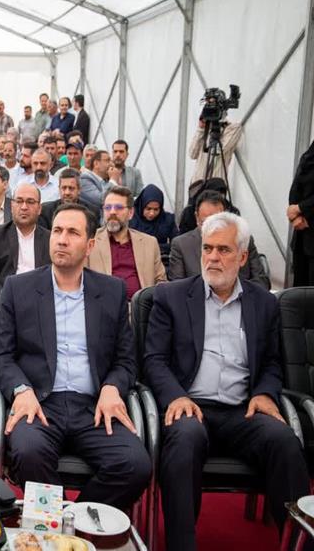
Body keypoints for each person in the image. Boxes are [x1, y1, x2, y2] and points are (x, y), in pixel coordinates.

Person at [143, 211, 309, 551]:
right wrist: (176, 396)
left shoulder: (264, 303)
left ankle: (299, 543)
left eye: (223, 250)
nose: (213, 258)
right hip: (190, 406)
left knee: (285, 441)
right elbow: (154, 361)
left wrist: (265, 393)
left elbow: (272, 362)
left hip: (242, 411)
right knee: (184, 441)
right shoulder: (171, 297)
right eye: (207, 249)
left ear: (243, 257)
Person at [0, 202, 151, 510]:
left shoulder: (112, 291)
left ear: (90, 245)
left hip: (93, 406)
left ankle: (72, 521)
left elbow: (126, 360)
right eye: (57, 231)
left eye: (73, 233)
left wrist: (112, 387)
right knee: (28, 452)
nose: (62, 240)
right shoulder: (18, 288)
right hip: (39, 403)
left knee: (135, 464)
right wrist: (21, 390)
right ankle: (62, 524)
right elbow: (0, 358)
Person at [0, 183, 49, 354]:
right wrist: (5, 297)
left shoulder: (49, 238)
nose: (24, 207)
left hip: (40, 299)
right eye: (19, 201)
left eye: (30, 202)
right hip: (4, 298)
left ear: (39, 208)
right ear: (12, 205)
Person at [169, 190, 269, 289]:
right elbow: (178, 288)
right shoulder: (181, 245)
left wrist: (235, 294)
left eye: (218, 223)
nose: (212, 228)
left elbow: (262, 281)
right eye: (205, 222)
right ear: (196, 217)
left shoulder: (243, 239)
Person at [87, 187, 166, 300]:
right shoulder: (90, 241)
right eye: (108, 207)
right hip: (104, 306)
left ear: (130, 213)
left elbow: (161, 282)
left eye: (118, 207)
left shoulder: (149, 243)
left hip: (141, 307)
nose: (112, 212)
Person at [288, 139, 314, 285]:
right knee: (299, 289)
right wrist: (295, 216)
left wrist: (300, 208)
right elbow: (296, 184)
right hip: (302, 235)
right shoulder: (310, 153)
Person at [129, 184, 178, 255]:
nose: (152, 213)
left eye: (156, 209)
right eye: (148, 209)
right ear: (142, 206)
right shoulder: (131, 219)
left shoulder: (167, 220)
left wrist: (151, 247)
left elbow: (176, 244)